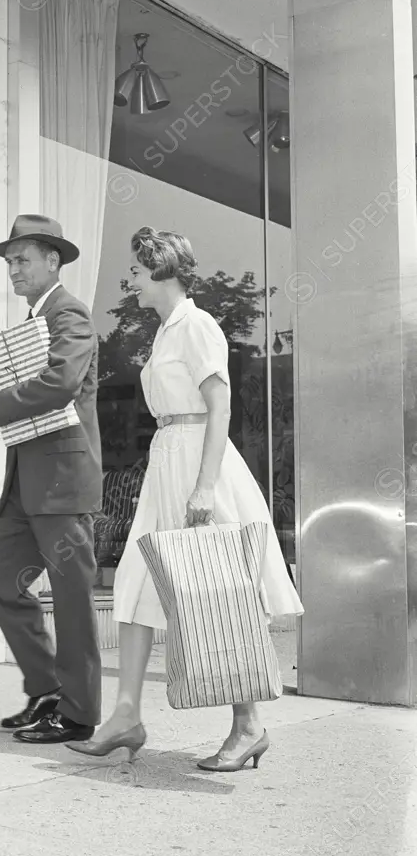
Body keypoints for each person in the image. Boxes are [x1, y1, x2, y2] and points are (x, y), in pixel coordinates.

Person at [69, 226, 304, 770]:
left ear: (162, 269)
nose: (129, 278)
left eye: (135, 269)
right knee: (133, 583)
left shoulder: (197, 326)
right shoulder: (164, 333)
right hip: (167, 460)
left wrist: (203, 485)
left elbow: (218, 408)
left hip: (201, 460)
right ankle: (126, 715)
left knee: (217, 591)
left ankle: (248, 725)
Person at [0, 213, 103, 744]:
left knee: (72, 597)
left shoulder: (68, 311)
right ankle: (47, 687)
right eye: (9, 261)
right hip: (27, 484)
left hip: (61, 482)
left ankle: (79, 713)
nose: (13, 269)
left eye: (21, 259)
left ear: (53, 261)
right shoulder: (36, 318)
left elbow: (63, 381)